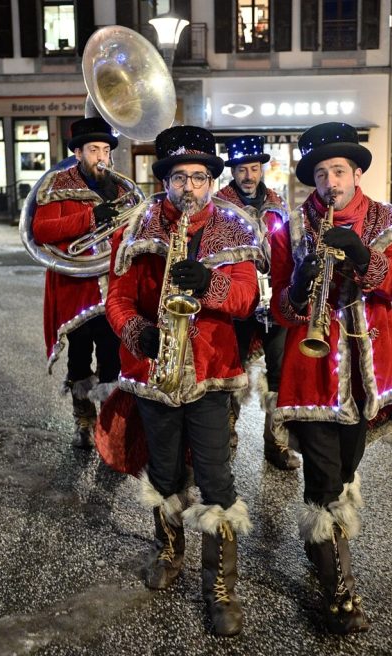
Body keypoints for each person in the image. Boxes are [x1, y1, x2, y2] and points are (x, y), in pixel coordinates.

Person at [105, 125, 263, 637]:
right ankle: (169, 550)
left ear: (211, 182)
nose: (189, 187)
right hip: (155, 375)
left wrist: (210, 283)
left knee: (217, 479)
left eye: (199, 177)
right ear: (166, 182)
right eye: (180, 178)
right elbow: (117, 299)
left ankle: (220, 587)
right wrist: (135, 332)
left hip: (212, 375)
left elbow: (245, 300)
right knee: (165, 472)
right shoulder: (138, 227)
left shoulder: (234, 229)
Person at [269, 122, 392, 634]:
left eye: (339, 171)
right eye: (321, 173)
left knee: (345, 467)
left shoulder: (386, 221)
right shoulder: (290, 227)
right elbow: (280, 311)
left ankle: (320, 539)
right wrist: (297, 281)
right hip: (311, 372)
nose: (330, 181)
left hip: (367, 374)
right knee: (326, 475)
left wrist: (362, 257)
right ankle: (341, 594)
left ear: (357, 173)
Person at [32, 116, 131, 449]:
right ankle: (84, 422)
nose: (101, 156)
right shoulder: (57, 184)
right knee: (78, 357)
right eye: (94, 150)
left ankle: (110, 427)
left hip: (112, 286)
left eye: (105, 150)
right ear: (77, 152)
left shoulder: (119, 187)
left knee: (112, 356)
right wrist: (90, 218)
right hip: (76, 288)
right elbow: (42, 230)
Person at [216, 135, 298, 470]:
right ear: (232, 171)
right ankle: (225, 437)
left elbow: (288, 251)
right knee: (230, 371)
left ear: (261, 169)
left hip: (274, 302)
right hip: (237, 303)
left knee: (280, 374)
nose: (249, 175)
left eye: (253, 168)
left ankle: (276, 444)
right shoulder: (219, 205)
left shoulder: (278, 201)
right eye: (242, 169)